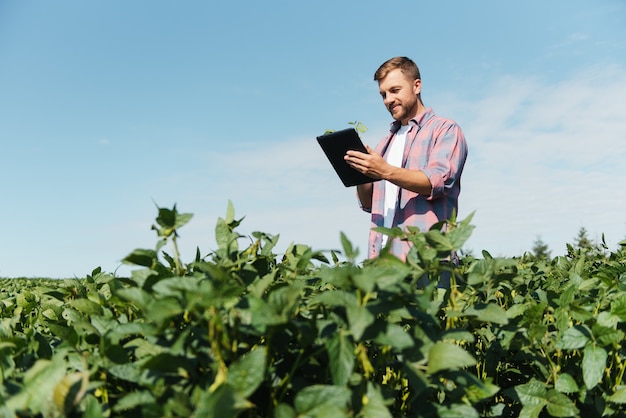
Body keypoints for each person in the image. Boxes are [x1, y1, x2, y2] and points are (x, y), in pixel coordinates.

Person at [344, 56, 468, 261]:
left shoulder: (444, 130)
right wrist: (360, 171)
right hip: (382, 263)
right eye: (383, 94)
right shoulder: (384, 143)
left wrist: (385, 170)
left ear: (416, 86)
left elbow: (437, 182)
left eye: (394, 90)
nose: (387, 100)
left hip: (427, 261)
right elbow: (368, 203)